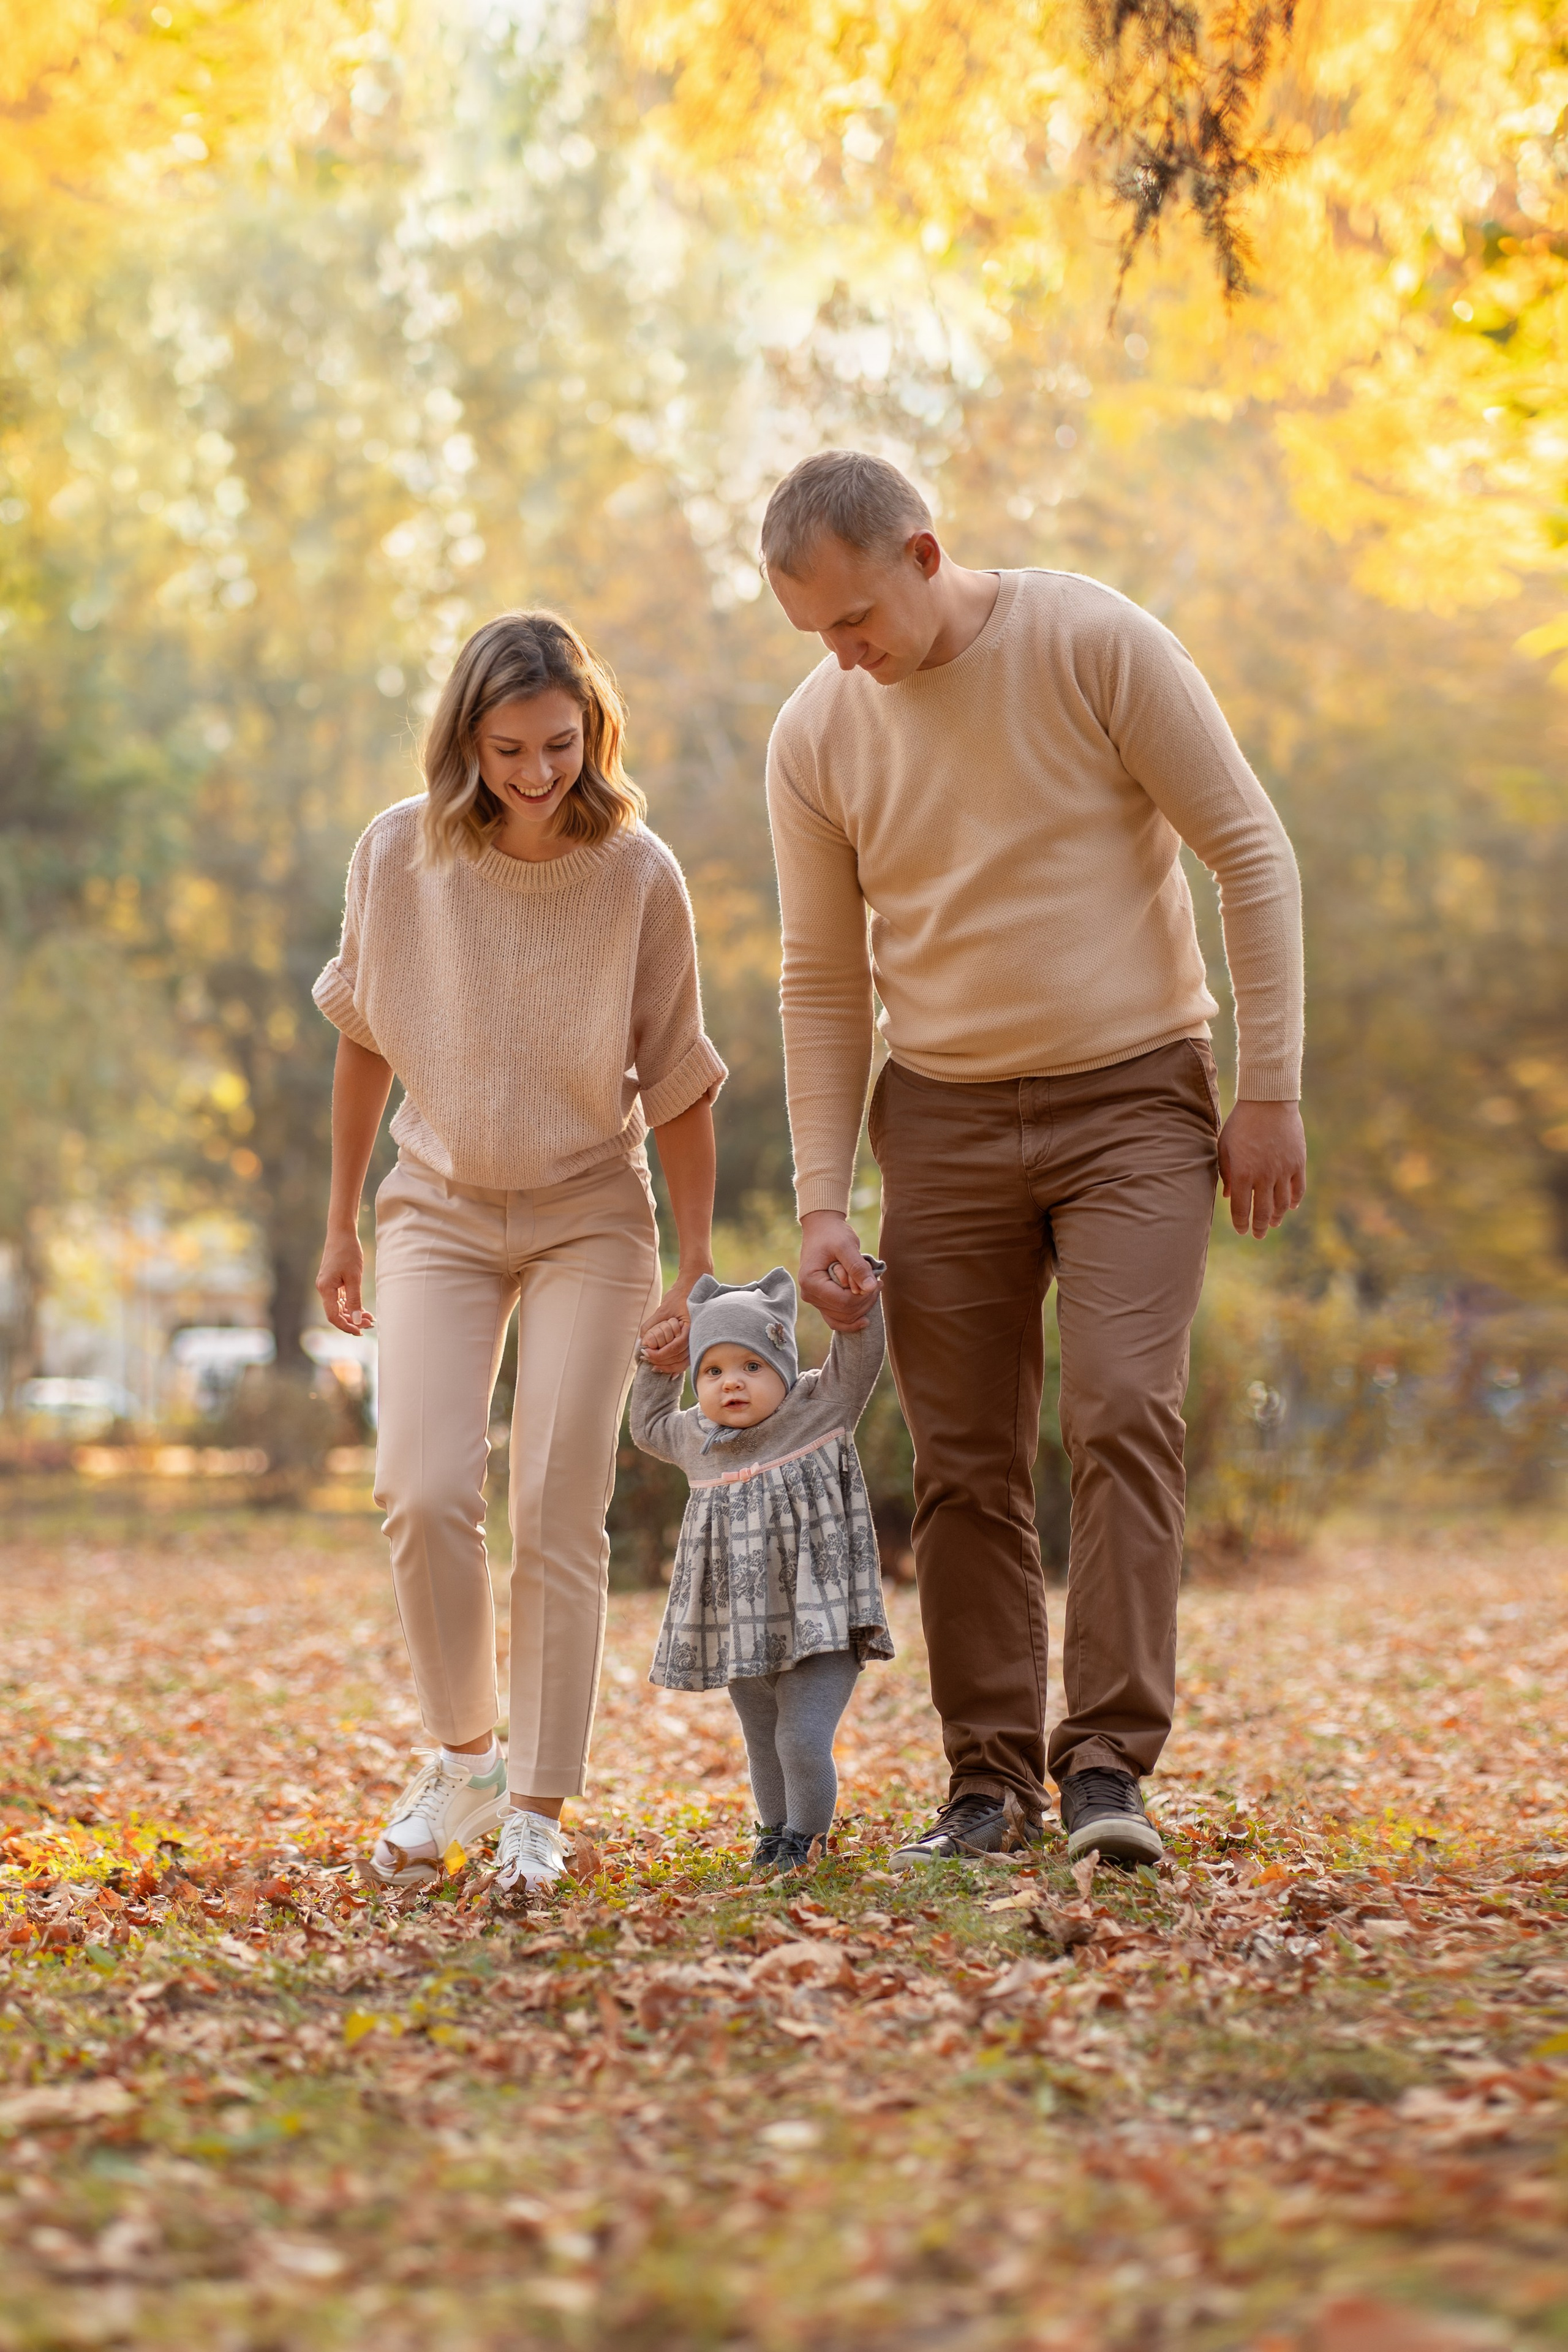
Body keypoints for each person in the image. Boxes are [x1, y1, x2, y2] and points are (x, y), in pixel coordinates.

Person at [759, 450, 1306, 1871]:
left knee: (1123, 1406)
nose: (844, 655)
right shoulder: (817, 732)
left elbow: (1247, 851)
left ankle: (1109, 1769)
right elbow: (820, 976)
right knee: (960, 1461)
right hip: (938, 1113)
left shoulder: (1091, 642)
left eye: (854, 619)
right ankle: (985, 1783)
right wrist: (822, 1193)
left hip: (1134, 1096)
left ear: (923, 555)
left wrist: (1267, 1093)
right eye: (814, 633)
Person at [312, 610, 725, 1898]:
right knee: (424, 1489)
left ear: (591, 733)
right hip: (434, 1207)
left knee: (555, 1501)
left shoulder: (638, 873)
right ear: (465, 742)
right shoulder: (397, 853)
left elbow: (681, 1082)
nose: (537, 773)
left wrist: (693, 1260)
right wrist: (338, 1219)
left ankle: (538, 1805)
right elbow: (365, 1036)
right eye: (507, 750)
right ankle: (465, 1759)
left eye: (558, 744)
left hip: (589, 1213)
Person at [630, 1265, 892, 1872]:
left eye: (751, 1367)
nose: (732, 1385)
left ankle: (804, 1840)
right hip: (739, 1626)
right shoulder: (696, 1437)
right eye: (713, 1370)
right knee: (764, 1743)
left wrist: (857, 1301)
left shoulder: (819, 1408)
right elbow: (644, 1427)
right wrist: (657, 1364)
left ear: (780, 1367)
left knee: (800, 1740)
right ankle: (775, 1835)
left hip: (819, 1621)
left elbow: (860, 1353)